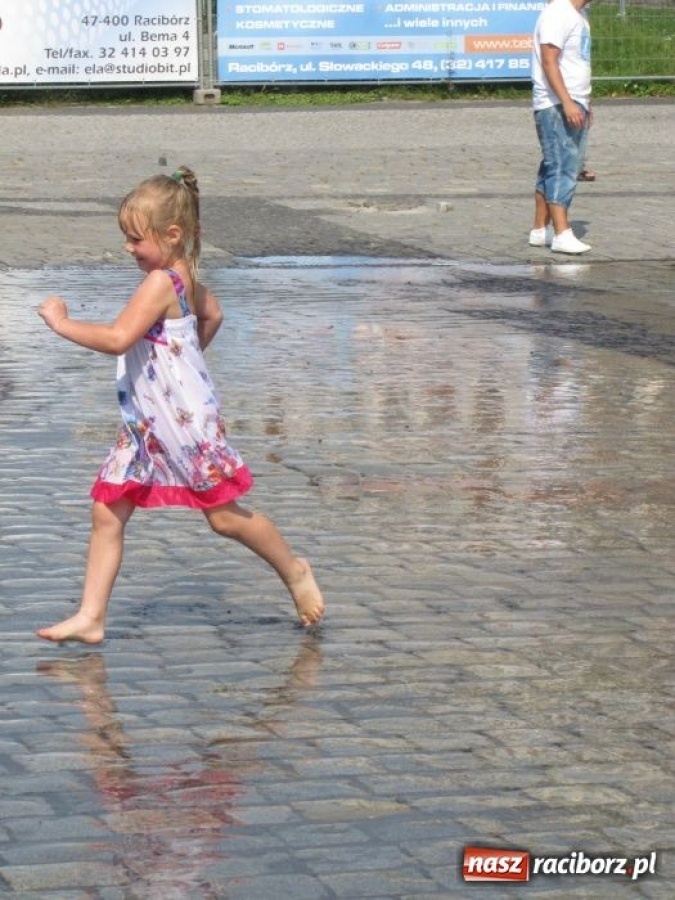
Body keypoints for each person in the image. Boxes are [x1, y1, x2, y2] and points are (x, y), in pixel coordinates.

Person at [37, 166, 325, 644]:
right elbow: (213, 313)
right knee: (107, 509)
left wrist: (60, 323)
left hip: (182, 426)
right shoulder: (184, 278)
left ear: (172, 235)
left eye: (135, 239)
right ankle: (91, 616)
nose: (128, 248)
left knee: (224, 516)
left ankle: (295, 570)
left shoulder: (158, 283)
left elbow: (116, 339)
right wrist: (183, 365)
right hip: (148, 424)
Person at [529, 0, 593, 254]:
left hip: (574, 100)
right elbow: (549, 61)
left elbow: (576, 63)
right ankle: (562, 233)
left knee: (552, 164)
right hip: (556, 104)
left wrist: (585, 102)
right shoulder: (558, 13)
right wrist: (566, 102)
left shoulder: (577, 15)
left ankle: (539, 230)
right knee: (562, 167)